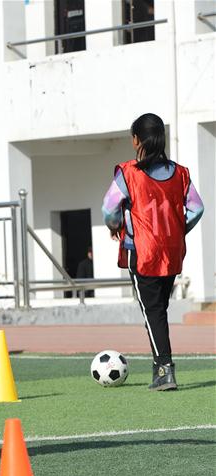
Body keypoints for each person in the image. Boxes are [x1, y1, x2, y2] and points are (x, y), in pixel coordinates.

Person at [102, 113, 205, 391]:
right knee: (158, 310)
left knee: (153, 312)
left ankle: (165, 370)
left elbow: (109, 209)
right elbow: (197, 208)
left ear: (137, 140)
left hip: (142, 251)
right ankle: (159, 368)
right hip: (172, 252)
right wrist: (176, 229)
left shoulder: (128, 173)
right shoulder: (181, 173)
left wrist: (116, 225)